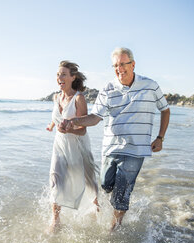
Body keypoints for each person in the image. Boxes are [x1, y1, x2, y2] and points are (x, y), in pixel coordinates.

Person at [59, 47, 170, 231]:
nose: (119, 69)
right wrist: (74, 121)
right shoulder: (108, 88)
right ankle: (119, 203)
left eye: (123, 64)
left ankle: (115, 226)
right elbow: (94, 117)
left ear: (133, 64)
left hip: (136, 149)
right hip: (111, 148)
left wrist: (160, 137)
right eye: (115, 65)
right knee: (106, 184)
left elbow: (165, 109)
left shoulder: (150, 85)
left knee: (121, 192)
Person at [47, 60, 99, 233]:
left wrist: (70, 129)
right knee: (56, 180)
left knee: (90, 183)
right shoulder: (56, 96)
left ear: (72, 77)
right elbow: (58, 116)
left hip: (78, 147)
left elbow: (83, 129)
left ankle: (96, 210)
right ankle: (56, 221)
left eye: (63, 74)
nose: (59, 78)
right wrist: (52, 126)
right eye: (57, 74)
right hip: (60, 146)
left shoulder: (79, 98)